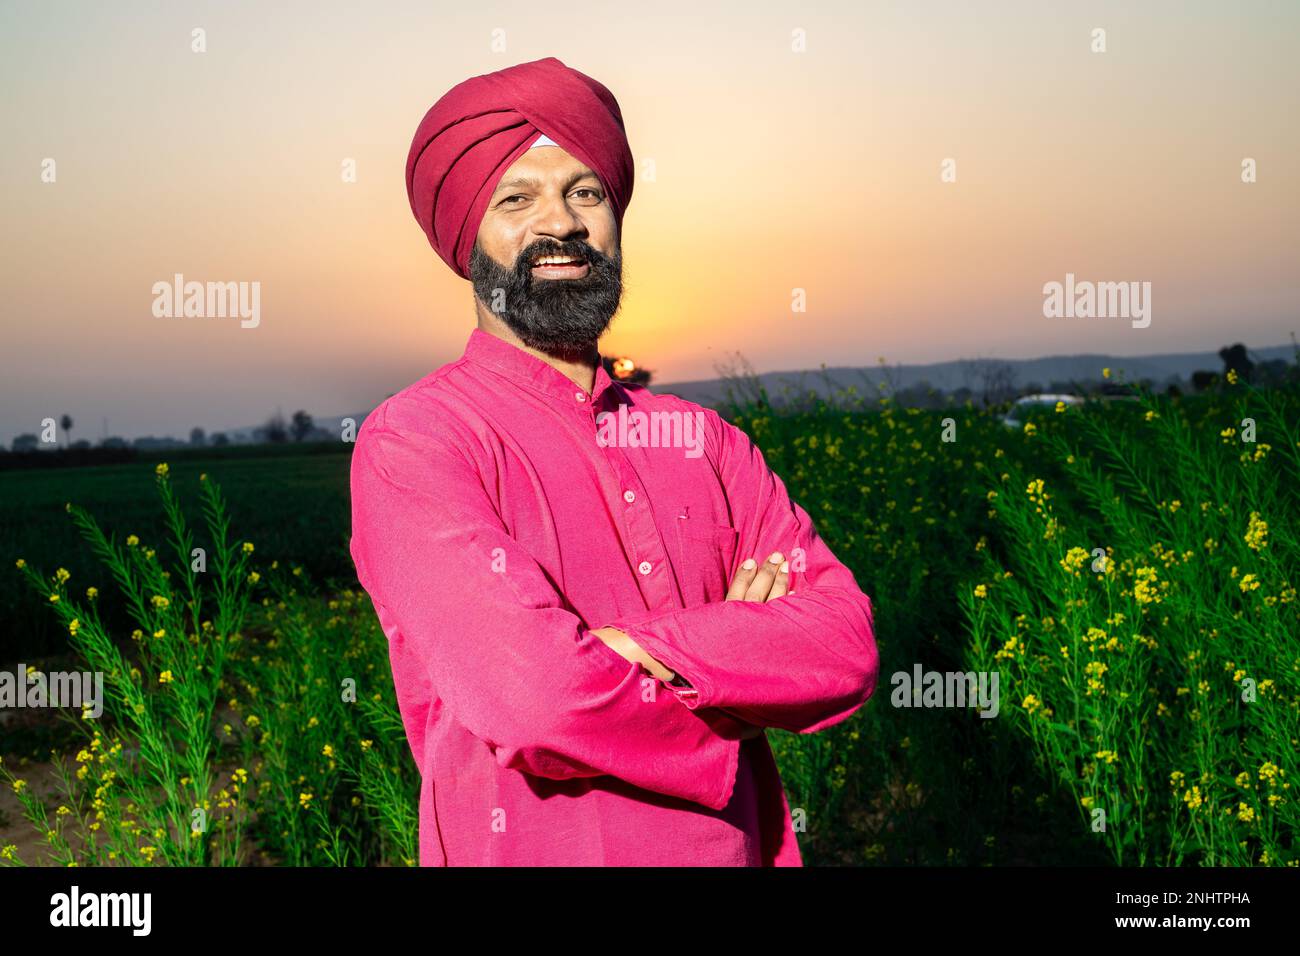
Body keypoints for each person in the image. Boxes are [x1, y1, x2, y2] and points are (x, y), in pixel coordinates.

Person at [349, 56, 879, 866]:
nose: (559, 224)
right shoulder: (417, 443)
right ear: (466, 236)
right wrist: (739, 651)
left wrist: (635, 649)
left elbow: (843, 646)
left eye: (584, 192)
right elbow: (535, 699)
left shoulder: (705, 440)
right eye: (516, 198)